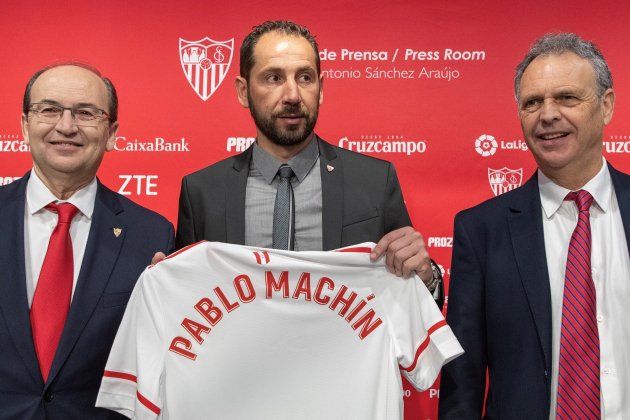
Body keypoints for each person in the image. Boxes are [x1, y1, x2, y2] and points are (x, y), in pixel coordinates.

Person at [174, 20, 443, 295]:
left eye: (305, 77)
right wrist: (166, 288)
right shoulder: (202, 192)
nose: (292, 95)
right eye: (274, 78)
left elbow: (408, 300)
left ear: (321, 88)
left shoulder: (375, 181)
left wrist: (426, 277)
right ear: (244, 92)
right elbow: (187, 307)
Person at [439, 33, 629, 419]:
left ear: (606, 106)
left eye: (567, 98)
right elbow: (463, 381)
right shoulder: (481, 231)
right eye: (532, 103)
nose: (548, 115)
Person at [0, 63, 174, 419]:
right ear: (24, 125)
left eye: (85, 113)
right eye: (48, 110)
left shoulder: (152, 235)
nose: (66, 126)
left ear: (111, 133)